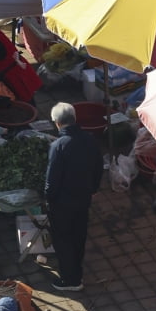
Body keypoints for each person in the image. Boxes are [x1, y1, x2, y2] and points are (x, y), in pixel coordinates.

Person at [46, 102, 103, 292]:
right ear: (74, 119)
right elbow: (98, 167)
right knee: (78, 236)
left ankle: (71, 280)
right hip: (83, 198)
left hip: (62, 202)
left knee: (63, 239)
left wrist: (48, 198)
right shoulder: (90, 139)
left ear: (57, 123)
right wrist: (93, 189)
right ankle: (76, 273)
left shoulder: (58, 146)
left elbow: (52, 179)